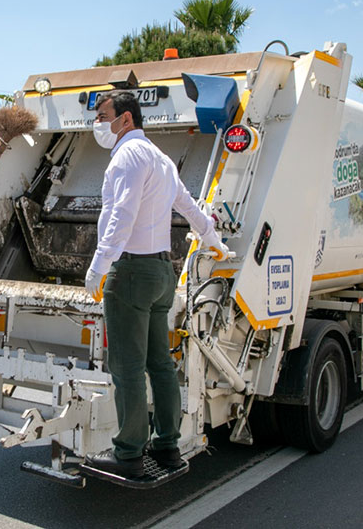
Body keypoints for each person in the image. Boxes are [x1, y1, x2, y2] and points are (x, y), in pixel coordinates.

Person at [84, 91, 227, 478]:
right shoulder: (161, 160)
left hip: (131, 272)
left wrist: (99, 267)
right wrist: (214, 241)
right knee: (159, 364)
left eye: (103, 115)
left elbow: (122, 215)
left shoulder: (128, 156)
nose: (98, 123)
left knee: (127, 366)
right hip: (162, 272)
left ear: (125, 119)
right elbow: (189, 207)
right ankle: (167, 446)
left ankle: (128, 452)